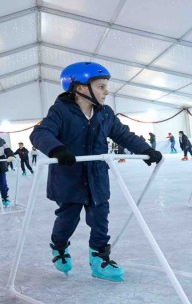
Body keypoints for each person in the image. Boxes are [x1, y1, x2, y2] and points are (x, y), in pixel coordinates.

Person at [31, 62, 162, 282]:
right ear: (81, 88)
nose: (106, 91)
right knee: (67, 219)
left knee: (100, 219)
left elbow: (123, 134)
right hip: (69, 178)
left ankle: (100, 260)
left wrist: (146, 150)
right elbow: (41, 133)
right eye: (101, 86)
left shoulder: (105, 114)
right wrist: (57, 149)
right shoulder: (60, 111)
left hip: (97, 178)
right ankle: (59, 245)